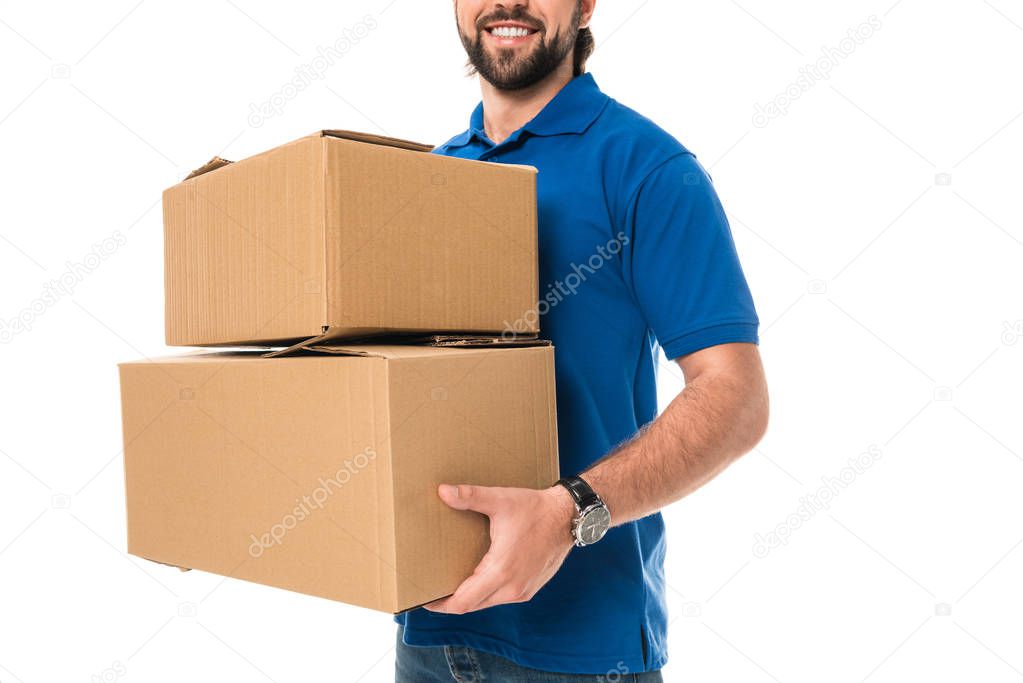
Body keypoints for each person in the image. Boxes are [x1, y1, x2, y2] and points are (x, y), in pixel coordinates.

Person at [396, 1, 770, 680]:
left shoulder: (648, 167)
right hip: (427, 632)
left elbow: (736, 396)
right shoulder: (429, 177)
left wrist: (573, 510)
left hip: (580, 652)